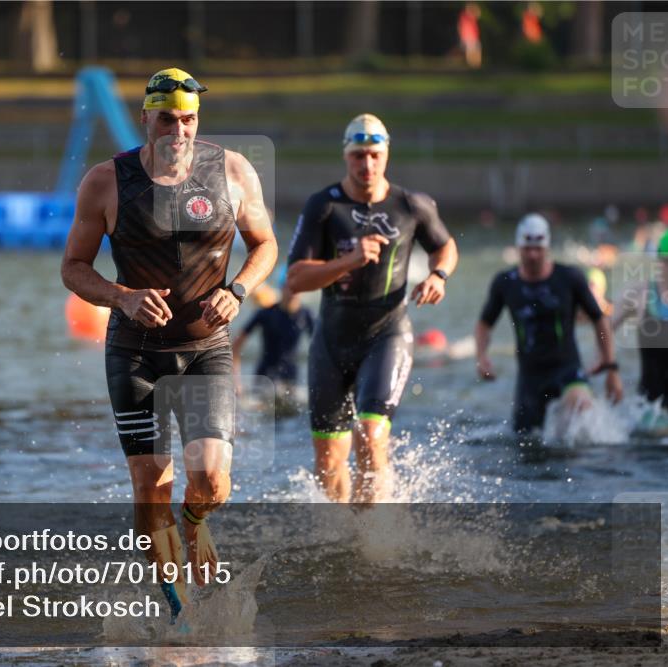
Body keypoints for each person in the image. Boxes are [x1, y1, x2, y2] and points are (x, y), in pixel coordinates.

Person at [61, 67, 277, 613]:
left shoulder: (232, 171)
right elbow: (73, 268)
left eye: (188, 120)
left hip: (206, 349)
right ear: (145, 120)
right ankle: (176, 610)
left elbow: (267, 244)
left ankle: (196, 519)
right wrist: (122, 297)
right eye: (166, 120)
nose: (177, 132)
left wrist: (240, 289)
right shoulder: (106, 181)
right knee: (150, 485)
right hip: (134, 352)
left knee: (211, 482)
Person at [286, 113, 458, 504]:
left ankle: (374, 535)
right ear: (346, 156)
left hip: (386, 335)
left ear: (386, 155)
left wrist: (438, 276)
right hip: (331, 341)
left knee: (370, 434)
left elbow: (444, 246)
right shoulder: (324, 207)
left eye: (375, 155)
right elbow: (295, 279)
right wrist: (347, 262)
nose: (367, 165)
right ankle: (344, 538)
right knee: (328, 459)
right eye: (358, 155)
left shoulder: (411, 205)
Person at [475, 214, 623, 435]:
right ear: (518, 247)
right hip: (530, 377)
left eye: (538, 248)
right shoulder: (506, 282)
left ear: (547, 247)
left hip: (567, 369)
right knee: (526, 443)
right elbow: (484, 324)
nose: (533, 255)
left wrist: (610, 367)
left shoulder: (569, 277)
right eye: (527, 249)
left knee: (582, 409)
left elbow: (599, 320)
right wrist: (482, 357)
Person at [612, 228, 668, 413]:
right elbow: (603, 329)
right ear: (659, 261)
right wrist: (609, 366)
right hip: (648, 409)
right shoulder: (639, 294)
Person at [232, 274, 314, 403]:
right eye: (290, 287)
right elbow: (236, 345)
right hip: (265, 376)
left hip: (291, 377)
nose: (294, 292)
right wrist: (236, 381)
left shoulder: (306, 315)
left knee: (291, 413)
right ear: (281, 288)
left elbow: (321, 347)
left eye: (298, 287)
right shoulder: (266, 313)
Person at [457, 3, 482, 69]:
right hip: (467, 36)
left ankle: (475, 67)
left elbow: (478, 14)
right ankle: (472, 67)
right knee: (470, 52)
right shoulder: (464, 14)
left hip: (474, 36)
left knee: (476, 51)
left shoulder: (471, 14)